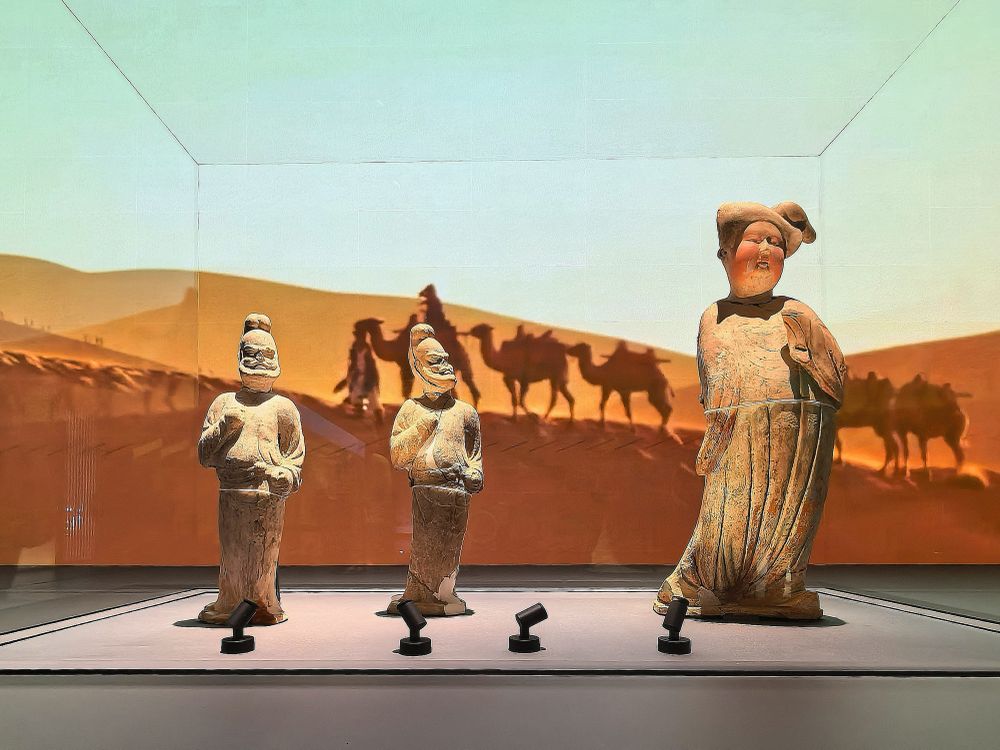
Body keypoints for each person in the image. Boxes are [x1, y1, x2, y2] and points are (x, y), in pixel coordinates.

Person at [655, 202, 846, 620]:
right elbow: (716, 380)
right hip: (740, 437)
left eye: (775, 242)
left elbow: (835, 380)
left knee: (789, 519)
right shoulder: (717, 316)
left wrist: (809, 356)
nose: (765, 250)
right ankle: (710, 585)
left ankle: (777, 589)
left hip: (800, 441)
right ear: (725, 253)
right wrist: (720, 431)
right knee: (730, 517)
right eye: (755, 239)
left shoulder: (798, 312)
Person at [197, 313, 305, 625]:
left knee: (263, 560)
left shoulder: (283, 408)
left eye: (266, 354)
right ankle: (230, 603)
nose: (259, 360)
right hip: (231, 493)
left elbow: (295, 455)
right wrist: (224, 426)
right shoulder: (224, 403)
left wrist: (285, 475)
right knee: (232, 558)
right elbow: (205, 455)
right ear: (240, 356)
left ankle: (262, 606)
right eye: (252, 353)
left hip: (267, 495)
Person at [387, 324, 483, 616]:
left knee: (450, 547)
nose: (444, 366)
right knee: (425, 547)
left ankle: (443, 593)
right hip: (425, 490)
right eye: (434, 361)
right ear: (418, 367)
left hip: (457, 492)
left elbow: (475, 458)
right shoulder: (411, 409)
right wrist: (422, 426)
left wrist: (474, 476)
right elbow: (397, 456)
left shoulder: (465, 412)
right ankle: (419, 594)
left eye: (445, 359)